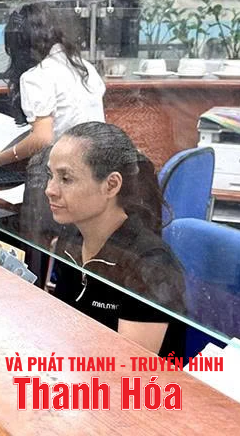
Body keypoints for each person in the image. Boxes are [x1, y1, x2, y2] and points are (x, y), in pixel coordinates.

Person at [46, 122, 185, 355]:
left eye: (66, 179)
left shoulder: (150, 264)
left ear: (111, 185)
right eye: (50, 176)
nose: (50, 189)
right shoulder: (70, 239)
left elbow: (129, 368)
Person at [0, 3, 105, 167]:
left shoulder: (36, 76)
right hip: (96, 159)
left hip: (67, 165)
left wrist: (0, 158)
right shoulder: (84, 66)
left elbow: (43, 139)